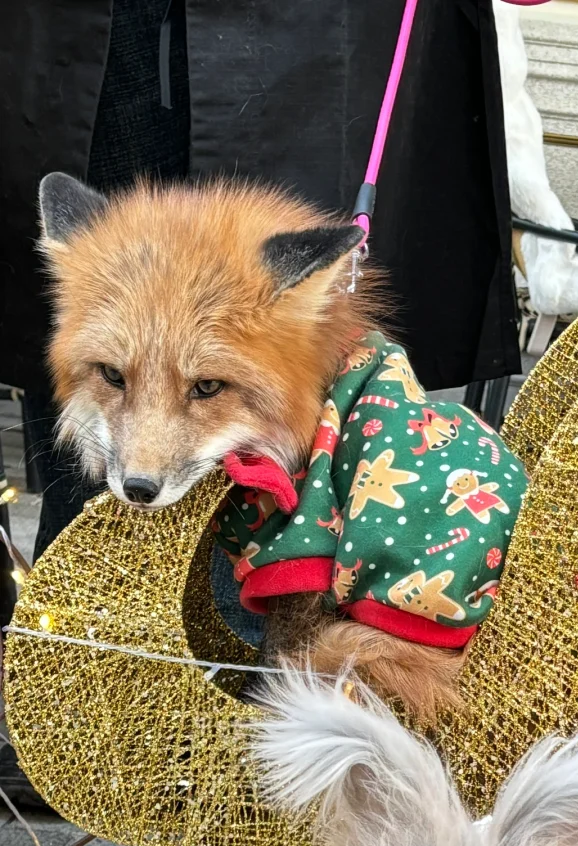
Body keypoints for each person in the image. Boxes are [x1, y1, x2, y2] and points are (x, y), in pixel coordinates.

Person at [0, 0, 519, 569]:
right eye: (114, 376)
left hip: (310, 51)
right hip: (102, 44)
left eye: (204, 386)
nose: (141, 465)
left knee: (277, 524)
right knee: (84, 539)